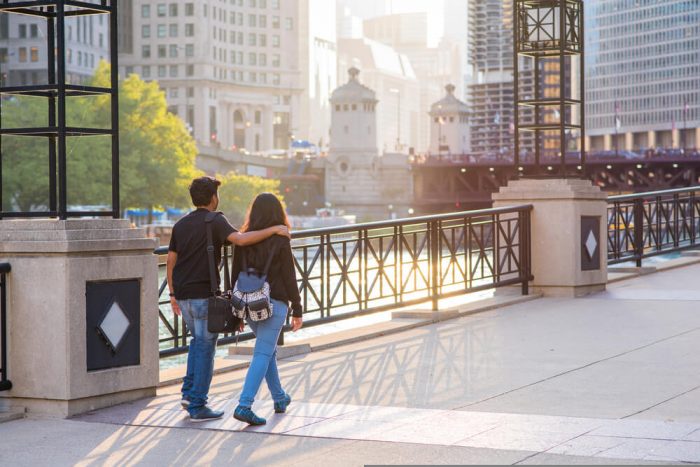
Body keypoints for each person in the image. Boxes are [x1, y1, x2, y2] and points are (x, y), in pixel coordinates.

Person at [167, 177, 290, 422]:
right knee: (205, 346)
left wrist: (171, 294)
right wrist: (275, 229)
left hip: (182, 296)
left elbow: (171, 260)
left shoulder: (180, 225)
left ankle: (188, 394)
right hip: (204, 296)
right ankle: (198, 403)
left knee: (197, 342)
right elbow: (242, 240)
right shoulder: (215, 221)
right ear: (213, 198)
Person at [231, 193, 303, 426]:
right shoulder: (280, 239)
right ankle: (244, 405)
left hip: (248, 303)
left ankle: (280, 398)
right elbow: (289, 276)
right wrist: (298, 308)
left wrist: (237, 311)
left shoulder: (244, 239)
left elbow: (234, 275)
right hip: (275, 302)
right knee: (262, 352)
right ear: (278, 213)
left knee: (268, 350)